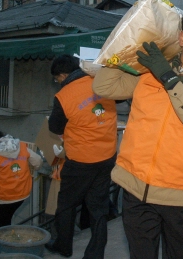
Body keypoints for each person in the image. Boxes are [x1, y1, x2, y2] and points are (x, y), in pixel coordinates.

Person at [93, 6, 183, 259]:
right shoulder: (150, 71)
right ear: (182, 38)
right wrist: (126, 48)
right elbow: (103, 86)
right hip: (137, 190)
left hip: (181, 196)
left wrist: (168, 78)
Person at [45, 54, 118, 259]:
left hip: (81, 160)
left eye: (56, 79)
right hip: (107, 156)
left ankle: (63, 246)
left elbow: (55, 127)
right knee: (98, 208)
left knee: (66, 204)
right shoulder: (100, 81)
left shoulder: (64, 96)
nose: (57, 83)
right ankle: (95, 254)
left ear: (62, 75)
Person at [0, 128, 43, 229]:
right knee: (7, 218)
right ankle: (7, 239)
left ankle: (3, 243)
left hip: (4, 196)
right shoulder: (22, 147)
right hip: (22, 192)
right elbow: (38, 161)